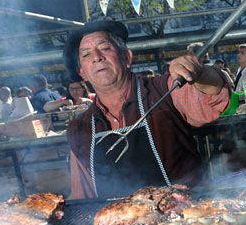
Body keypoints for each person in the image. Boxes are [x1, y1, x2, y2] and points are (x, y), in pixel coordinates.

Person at [63, 20, 231, 199]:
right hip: (120, 223)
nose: (97, 57)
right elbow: (82, 197)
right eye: (86, 55)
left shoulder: (164, 90)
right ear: (82, 73)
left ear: (127, 57)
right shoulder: (79, 128)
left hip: (186, 218)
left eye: (105, 48)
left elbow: (215, 96)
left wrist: (200, 74)